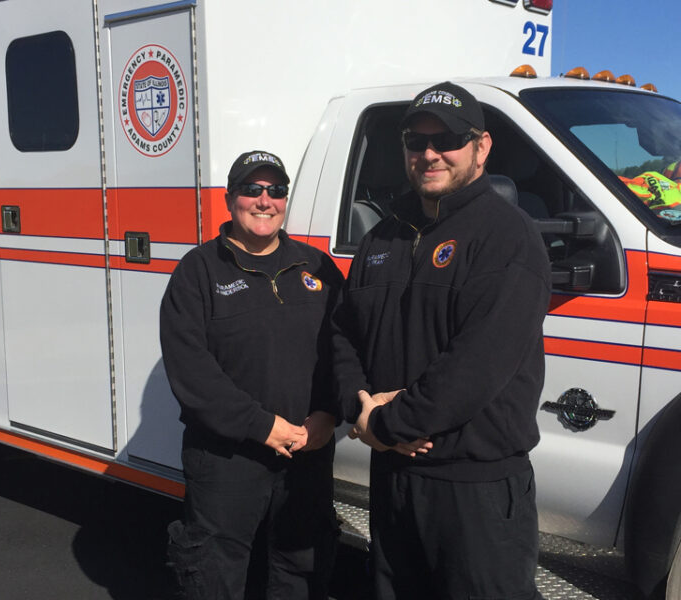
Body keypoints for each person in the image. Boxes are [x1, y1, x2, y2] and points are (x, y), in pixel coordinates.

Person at [332, 82, 551, 599]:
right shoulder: (381, 238)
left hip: (473, 489)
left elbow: (475, 367)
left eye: (447, 139)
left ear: (482, 147)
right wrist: (359, 406)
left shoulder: (507, 237)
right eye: (415, 140)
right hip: (392, 480)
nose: (429, 153)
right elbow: (343, 335)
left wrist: (386, 423)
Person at [160, 150, 343, 600]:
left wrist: (329, 413)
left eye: (275, 190)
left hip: (307, 447)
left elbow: (344, 349)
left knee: (301, 568)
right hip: (228, 455)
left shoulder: (316, 268)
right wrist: (262, 426)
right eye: (251, 189)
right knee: (214, 574)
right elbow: (191, 372)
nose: (265, 200)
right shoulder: (198, 272)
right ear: (229, 199)